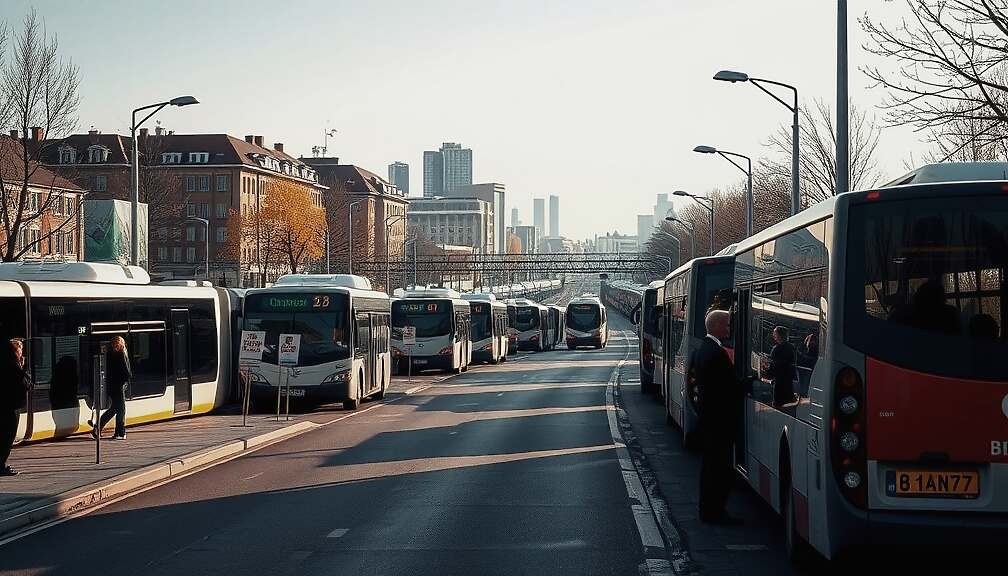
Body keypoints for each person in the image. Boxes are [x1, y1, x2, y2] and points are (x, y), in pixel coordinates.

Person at [695, 309, 742, 525]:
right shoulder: (716, 352)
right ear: (716, 326)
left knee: (711, 468)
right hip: (718, 422)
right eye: (727, 325)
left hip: (709, 420)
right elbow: (728, 387)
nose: (730, 329)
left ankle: (708, 510)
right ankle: (715, 512)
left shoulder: (704, 349)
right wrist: (749, 382)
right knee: (719, 468)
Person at [91, 336, 131, 440]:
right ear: (121, 344)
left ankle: (98, 427)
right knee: (121, 409)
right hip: (119, 386)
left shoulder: (109, 354)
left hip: (111, 386)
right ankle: (120, 433)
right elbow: (126, 372)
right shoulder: (121, 354)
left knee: (115, 408)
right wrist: (126, 381)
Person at [1, 339, 30, 476]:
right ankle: (1, 466)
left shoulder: (4, 364)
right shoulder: (14, 366)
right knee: (7, 437)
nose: (21, 354)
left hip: (5, 405)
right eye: (20, 351)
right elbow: (26, 384)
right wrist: (23, 368)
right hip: (11, 407)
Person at [767, 326, 797, 407]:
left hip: (779, 382)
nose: (773, 335)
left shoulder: (776, 349)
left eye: (775, 333)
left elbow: (772, 367)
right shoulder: (791, 347)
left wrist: (767, 373)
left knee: (777, 404)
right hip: (788, 382)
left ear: (779, 335)